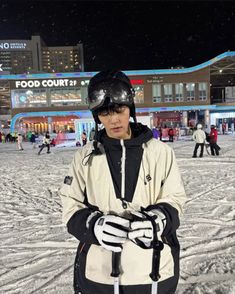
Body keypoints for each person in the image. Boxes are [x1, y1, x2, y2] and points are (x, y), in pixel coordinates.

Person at [60, 70, 187, 294]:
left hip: (154, 275)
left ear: (130, 108)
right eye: (105, 113)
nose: (114, 119)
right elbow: (70, 205)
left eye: (119, 110)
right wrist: (93, 226)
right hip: (98, 277)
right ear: (96, 115)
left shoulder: (160, 152)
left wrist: (159, 221)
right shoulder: (84, 157)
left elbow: (175, 199)